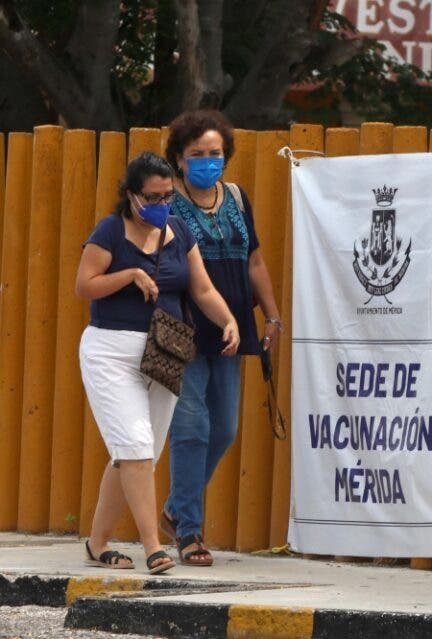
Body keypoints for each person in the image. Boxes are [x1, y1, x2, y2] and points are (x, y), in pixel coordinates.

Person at [76, 151, 240, 575]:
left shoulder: (179, 231)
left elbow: (201, 288)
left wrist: (227, 320)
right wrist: (129, 275)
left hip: (164, 350)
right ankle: (153, 547)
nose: (162, 204)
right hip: (112, 349)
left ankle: (97, 543)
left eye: (168, 196)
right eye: (153, 196)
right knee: (133, 446)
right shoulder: (111, 231)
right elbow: (85, 285)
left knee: (138, 454)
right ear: (132, 196)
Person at [160, 109, 281, 566]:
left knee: (225, 428)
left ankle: (174, 508)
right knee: (191, 428)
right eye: (197, 155)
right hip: (185, 327)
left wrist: (272, 317)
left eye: (215, 153)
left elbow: (254, 261)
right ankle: (189, 531)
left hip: (233, 329)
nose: (208, 161)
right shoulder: (168, 204)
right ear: (179, 158)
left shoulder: (236, 196)